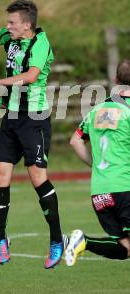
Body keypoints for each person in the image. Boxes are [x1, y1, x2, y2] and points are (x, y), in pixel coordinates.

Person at [0, 0, 66, 268]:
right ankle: (0, 239)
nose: (7, 27)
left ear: (27, 25)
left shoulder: (41, 43)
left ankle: (56, 240)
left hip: (34, 118)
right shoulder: (10, 35)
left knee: (37, 178)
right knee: (0, 175)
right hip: (12, 117)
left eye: (12, 23)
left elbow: (30, 77)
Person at [66, 59, 130, 266]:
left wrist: (96, 166)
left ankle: (83, 241)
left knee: (125, 249)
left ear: (115, 79)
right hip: (125, 187)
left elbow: (75, 141)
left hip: (100, 190)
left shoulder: (98, 110)